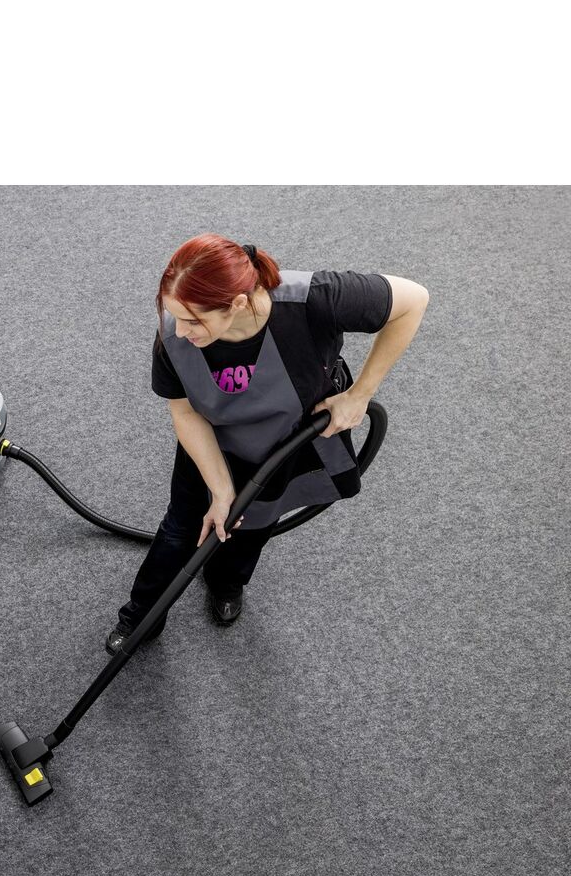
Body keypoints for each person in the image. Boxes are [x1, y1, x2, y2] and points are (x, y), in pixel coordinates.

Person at [107, 234, 429, 654]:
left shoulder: (314, 300)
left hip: (286, 440)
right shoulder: (174, 336)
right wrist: (221, 490)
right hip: (212, 441)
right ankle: (140, 616)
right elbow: (185, 413)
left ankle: (226, 581)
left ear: (238, 304)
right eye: (175, 316)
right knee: (181, 527)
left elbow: (413, 299)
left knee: (255, 523)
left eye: (194, 321)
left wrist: (360, 394)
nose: (180, 331)